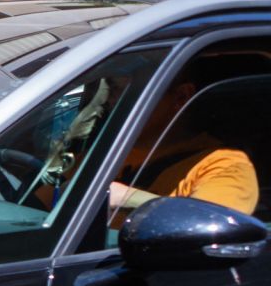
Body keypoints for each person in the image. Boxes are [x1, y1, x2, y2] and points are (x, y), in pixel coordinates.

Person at [108, 77, 259, 220]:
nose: (111, 101)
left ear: (181, 96)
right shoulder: (98, 156)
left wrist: (127, 198)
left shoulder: (224, 166)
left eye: (123, 91)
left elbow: (211, 222)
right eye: (111, 90)